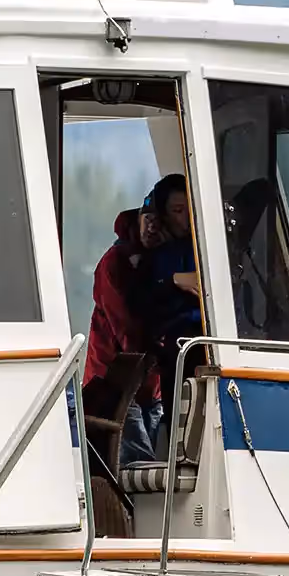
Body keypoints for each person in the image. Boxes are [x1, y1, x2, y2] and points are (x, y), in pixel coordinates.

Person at [80, 206, 160, 466]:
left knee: (150, 453)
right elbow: (125, 328)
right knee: (135, 460)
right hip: (113, 378)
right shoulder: (114, 262)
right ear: (138, 220)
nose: (152, 227)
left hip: (151, 385)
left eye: (160, 221)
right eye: (148, 219)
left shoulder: (162, 260)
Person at [137, 173, 203, 430]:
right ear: (164, 216)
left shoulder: (207, 247)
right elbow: (144, 299)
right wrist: (174, 279)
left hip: (207, 342)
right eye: (178, 210)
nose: (187, 216)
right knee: (181, 422)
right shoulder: (156, 258)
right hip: (179, 349)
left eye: (190, 207)